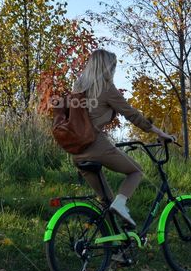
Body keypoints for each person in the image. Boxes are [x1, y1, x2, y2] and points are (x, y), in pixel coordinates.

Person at [70, 49, 175, 226]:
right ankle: (121, 203)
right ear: (107, 67)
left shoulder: (77, 88)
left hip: (76, 152)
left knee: (107, 203)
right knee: (136, 171)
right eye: (113, 66)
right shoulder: (106, 88)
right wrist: (160, 133)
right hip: (95, 145)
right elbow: (132, 114)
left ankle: (117, 249)